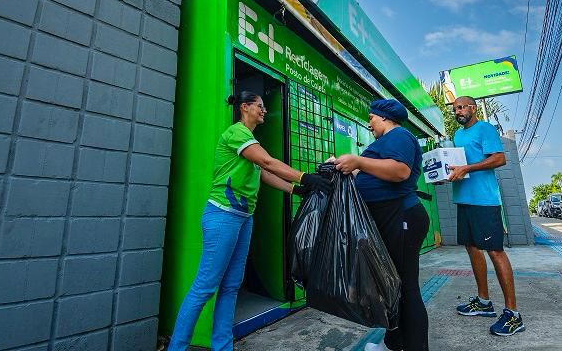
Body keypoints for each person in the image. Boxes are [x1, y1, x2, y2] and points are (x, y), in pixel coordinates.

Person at [168, 91, 332, 351]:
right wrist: (304, 177)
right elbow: (267, 161)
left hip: (243, 218)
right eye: (260, 106)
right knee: (205, 286)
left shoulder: (250, 140)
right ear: (244, 107)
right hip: (222, 215)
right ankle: (176, 347)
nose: (264, 110)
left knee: (231, 286)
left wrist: (295, 189)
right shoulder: (237, 133)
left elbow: (263, 172)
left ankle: (223, 346)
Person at [333, 99, 429, 351]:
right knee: (391, 286)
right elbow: (369, 173)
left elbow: (400, 171)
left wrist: (359, 162)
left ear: (385, 117)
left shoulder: (400, 136)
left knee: (407, 287)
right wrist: (344, 165)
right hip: (389, 218)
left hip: (402, 216)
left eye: (371, 118)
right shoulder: (384, 142)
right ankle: (394, 344)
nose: (369, 124)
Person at [446, 96, 525, 336]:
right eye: (455, 109)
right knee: (471, 247)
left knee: (495, 251)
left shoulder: (485, 129)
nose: (458, 112)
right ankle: (483, 302)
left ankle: (513, 315)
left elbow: (500, 158)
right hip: (463, 199)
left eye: (461, 107)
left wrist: (468, 168)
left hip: (484, 201)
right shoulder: (457, 135)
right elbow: (457, 164)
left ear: (473, 108)